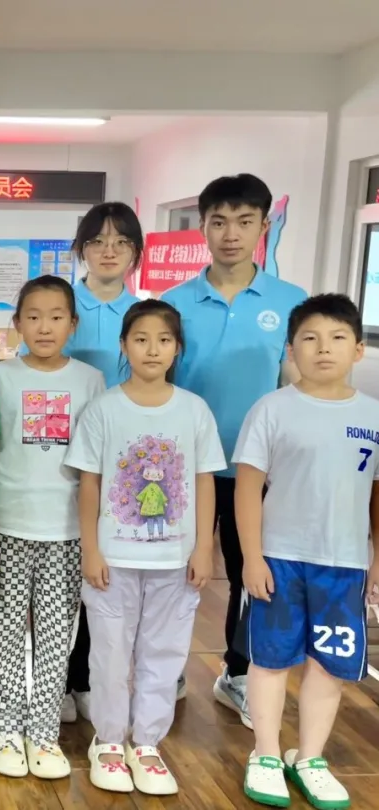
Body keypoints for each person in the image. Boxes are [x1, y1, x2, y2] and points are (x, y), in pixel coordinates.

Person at [160, 174, 308, 728]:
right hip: (183, 467)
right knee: (177, 570)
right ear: (202, 227)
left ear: (263, 227)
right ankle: (167, 668)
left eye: (244, 222)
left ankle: (238, 673)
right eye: (219, 222)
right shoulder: (174, 304)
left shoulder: (291, 302)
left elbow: (297, 384)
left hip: (258, 468)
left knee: (252, 571)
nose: (230, 234)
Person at [65, 299, 225, 795]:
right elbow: (89, 484)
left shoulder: (194, 410)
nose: (152, 349)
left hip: (175, 561)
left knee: (165, 650)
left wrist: (203, 548)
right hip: (113, 558)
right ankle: (110, 741)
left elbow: (204, 481)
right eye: (140, 339)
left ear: (178, 348)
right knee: (110, 653)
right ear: (123, 345)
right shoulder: (104, 409)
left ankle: (148, 743)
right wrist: (91, 549)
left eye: (163, 340)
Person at [234, 294, 379, 809]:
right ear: (291, 350)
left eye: (338, 338)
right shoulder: (272, 408)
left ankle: (310, 757)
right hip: (280, 559)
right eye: (310, 339)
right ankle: (267, 754)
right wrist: (252, 557)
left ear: (358, 349)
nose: (324, 348)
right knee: (271, 660)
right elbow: (247, 488)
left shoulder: (373, 414)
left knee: (330, 665)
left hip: (345, 565)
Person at [0, 275, 104, 780]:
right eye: (33, 316)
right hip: (6, 523)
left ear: (73, 323)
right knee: (3, 631)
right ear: (16, 324)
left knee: (55, 636)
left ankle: (44, 731)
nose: (44, 326)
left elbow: (96, 464)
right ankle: (5, 730)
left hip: (66, 529)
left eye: (55, 317)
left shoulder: (91, 381)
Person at [58, 202, 146, 724]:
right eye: (97, 240)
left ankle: (86, 677)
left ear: (135, 251)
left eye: (121, 241)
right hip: (60, 462)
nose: (108, 250)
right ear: (82, 249)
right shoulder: (61, 305)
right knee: (62, 577)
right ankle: (56, 679)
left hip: (123, 468)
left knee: (105, 572)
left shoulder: (144, 314)